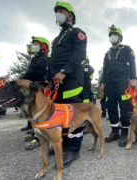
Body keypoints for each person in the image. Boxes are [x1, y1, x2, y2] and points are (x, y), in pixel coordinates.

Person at [48, 1, 87, 167]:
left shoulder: (77, 32)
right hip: (56, 81)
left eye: (61, 11)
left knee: (73, 115)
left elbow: (79, 54)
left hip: (71, 79)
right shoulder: (56, 38)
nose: (58, 14)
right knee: (60, 114)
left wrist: (64, 71)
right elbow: (53, 60)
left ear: (70, 15)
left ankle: (73, 149)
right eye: (57, 11)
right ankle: (62, 143)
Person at [100, 24, 137, 147]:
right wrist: (102, 83)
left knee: (125, 106)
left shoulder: (126, 49)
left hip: (123, 81)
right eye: (110, 35)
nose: (112, 37)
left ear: (120, 37)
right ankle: (115, 131)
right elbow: (105, 69)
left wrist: (133, 78)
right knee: (111, 105)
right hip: (110, 82)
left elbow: (132, 63)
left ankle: (125, 132)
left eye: (114, 35)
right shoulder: (107, 53)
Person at [21, 36, 50, 150]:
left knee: (39, 114)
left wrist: (22, 79)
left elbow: (33, 73)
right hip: (34, 88)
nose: (33, 46)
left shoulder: (43, 59)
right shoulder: (36, 58)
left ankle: (40, 138)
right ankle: (35, 133)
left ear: (43, 46)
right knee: (34, 114)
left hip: (40, 88)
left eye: (36, 44)